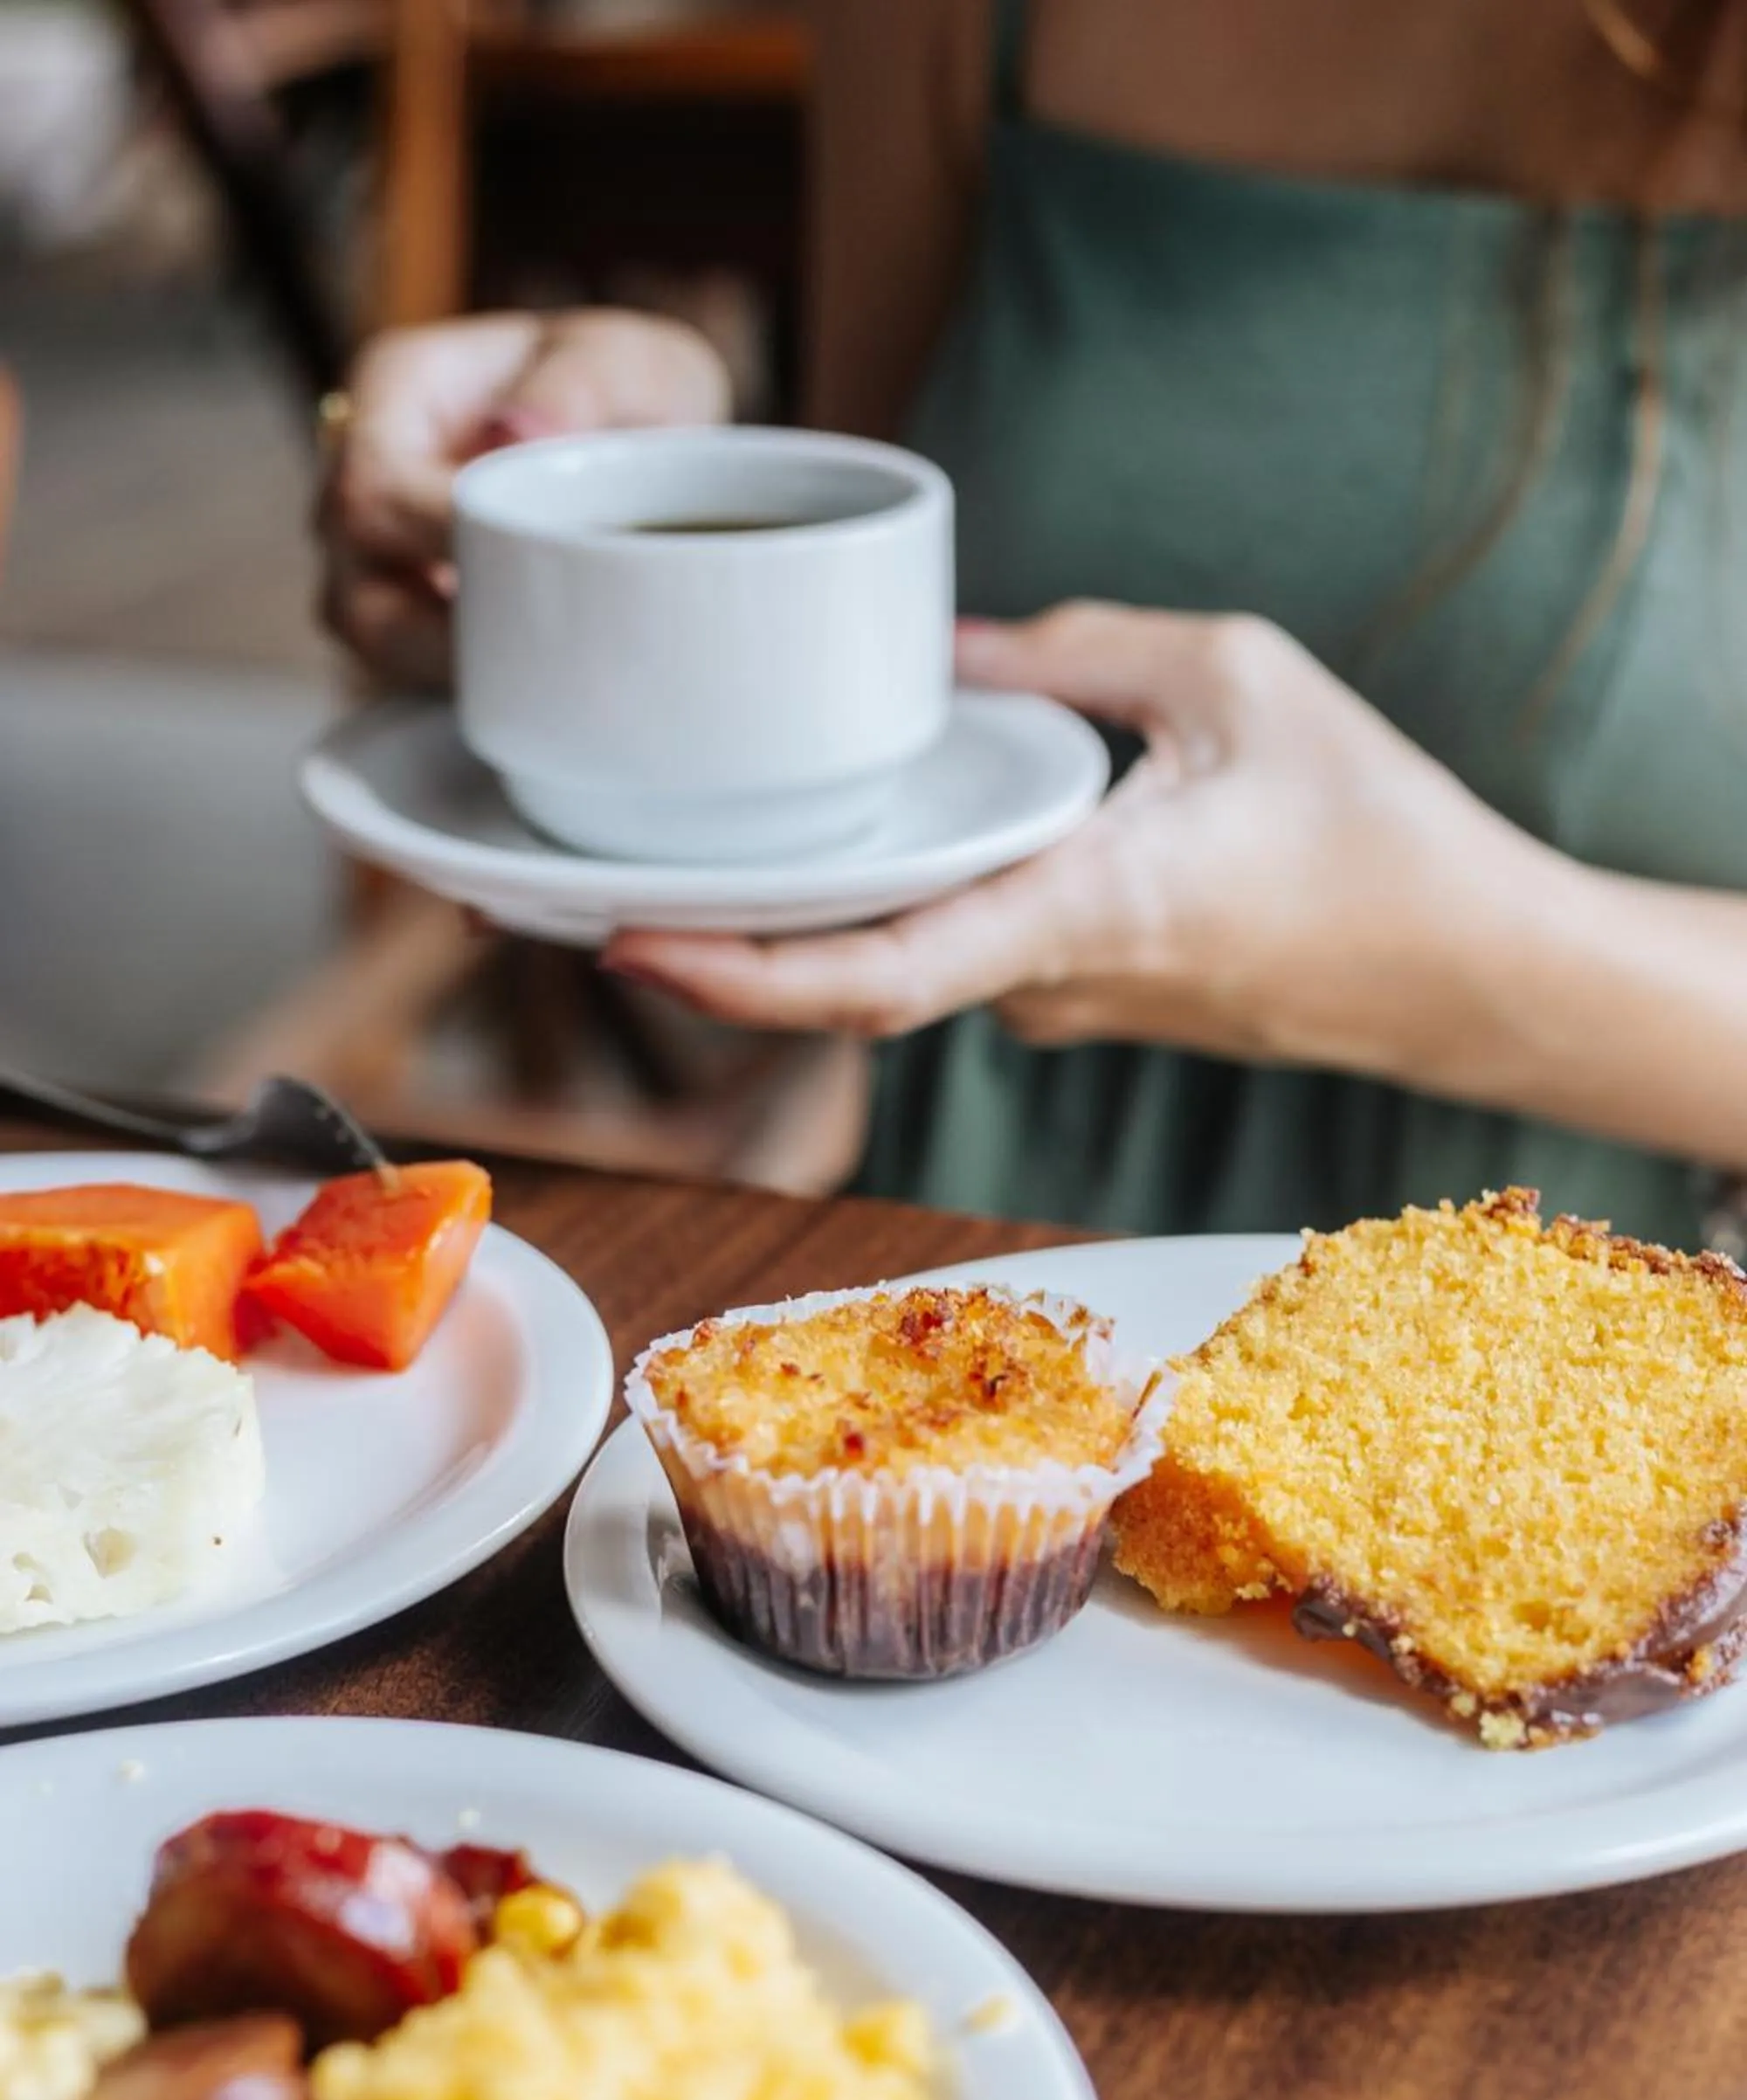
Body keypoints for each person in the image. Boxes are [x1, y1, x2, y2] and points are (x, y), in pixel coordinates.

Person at [320, 0, 1747, 1246]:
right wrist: (631, 513)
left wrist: (1438, 954)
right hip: (973, 1272)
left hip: (1632, 1329)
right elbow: (894, 691)